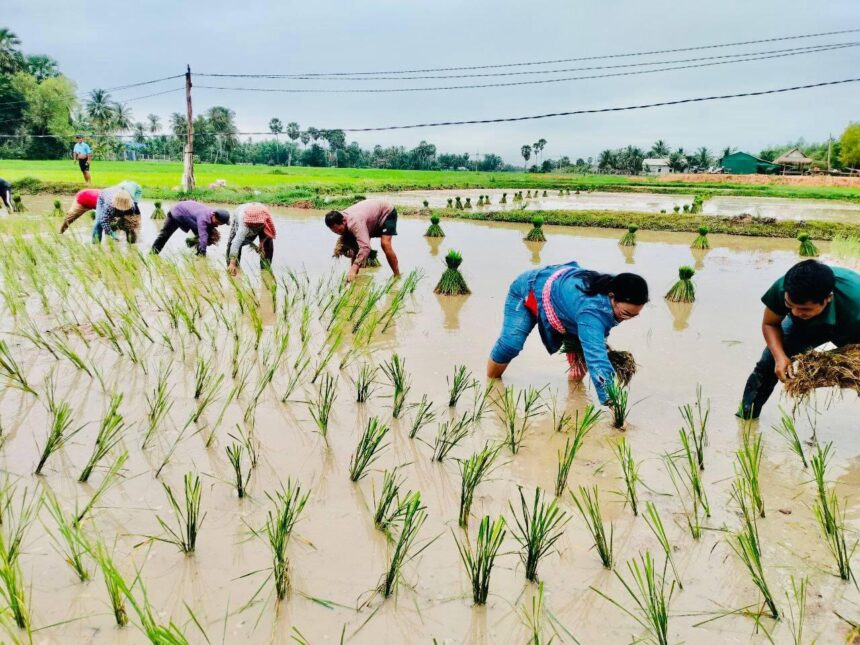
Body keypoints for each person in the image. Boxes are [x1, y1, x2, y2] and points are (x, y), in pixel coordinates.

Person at [487, 261, 649, 405]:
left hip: (565, 300)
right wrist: (615, 406)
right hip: (529, 290)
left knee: (581, 359)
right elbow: (597, 361)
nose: (628, 319)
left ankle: (573, 401)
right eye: (626, 314)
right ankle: (490, 385)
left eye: (635, 315)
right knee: (511, 344)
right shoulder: (592, 312)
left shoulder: (618, 288)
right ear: (612, 297)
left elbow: (595, 339)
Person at [739, 259, 860, 419]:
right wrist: (780, 357)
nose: (795, 313)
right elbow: (770, 324)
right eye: (790, 305)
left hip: (851, 326)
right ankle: (746, 419)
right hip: (803, 327)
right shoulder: (784, 288)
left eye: (804, 309)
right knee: (768, 364)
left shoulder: (856, 303)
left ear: (827, 298)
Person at [324, 198, 399, 282]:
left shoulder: (355, 222)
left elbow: (366, 247)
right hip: (370, 217)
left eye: (340, 231)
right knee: (357, 247)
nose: (339, 233)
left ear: (344, 221)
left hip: (386, 212)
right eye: (335, 232)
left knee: (385, 244)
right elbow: (357, 246)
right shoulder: (339, 218)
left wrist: (353, 269)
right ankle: (353, 279)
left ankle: (397, 276)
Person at [150, 200, 230, 257]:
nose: (218, 225)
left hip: (188, 215)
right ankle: (153, 254)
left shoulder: (212, 214)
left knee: (205, 236)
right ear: (213, 216)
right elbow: (203, 236)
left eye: (221, 224)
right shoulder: (203, 218)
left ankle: (197, 252)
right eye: (217, 223)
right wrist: (203, 253)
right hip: (177, 213)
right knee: (165, 235)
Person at [226, 202, 276, 276]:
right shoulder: (244, 224)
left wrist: (262, 242)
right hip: (240, 213)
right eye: (252, 225)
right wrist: (232, 263)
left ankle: (265, 269)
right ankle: (233, 267)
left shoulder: (266, 218)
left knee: (268, 244)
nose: (254, 227)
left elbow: (269, 233)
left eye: (256, 225)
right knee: (232, 243)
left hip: (262, 220)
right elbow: (236, 242)